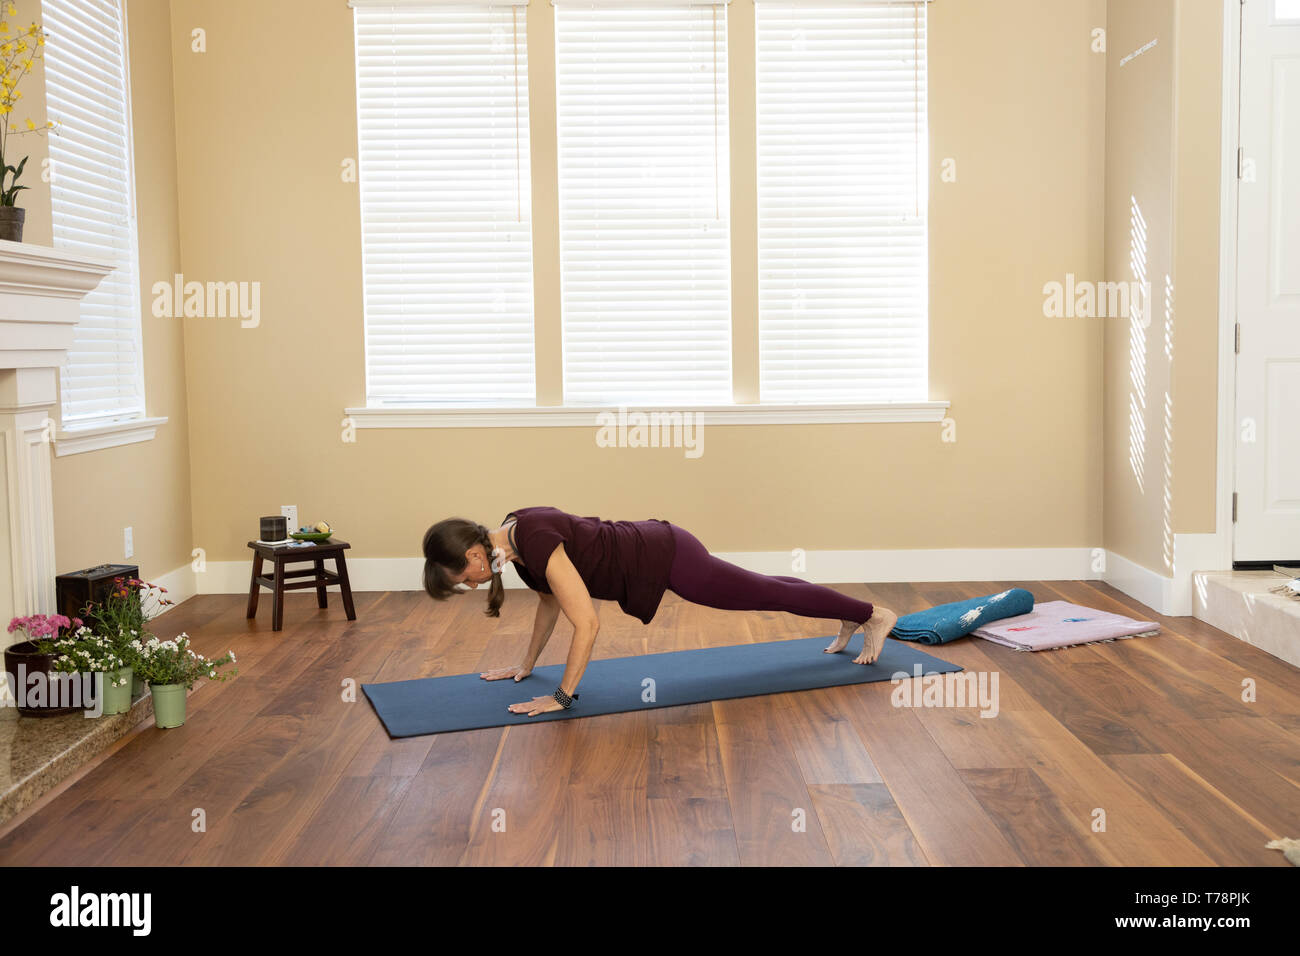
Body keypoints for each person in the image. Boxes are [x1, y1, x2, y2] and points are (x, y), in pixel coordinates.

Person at [422, 506, 898, 717]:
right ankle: (849, 613)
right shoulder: (516, 542)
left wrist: (563, 698)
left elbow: (586, 623)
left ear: (473, 556)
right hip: (656, 544)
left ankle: (872, 615)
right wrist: (526, 666)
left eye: (464, 578)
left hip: (667, 556)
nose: (470, 585)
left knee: (762, 593)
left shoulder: (534, 541)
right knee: (766, 588)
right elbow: (549, 604)